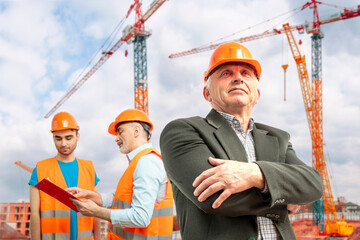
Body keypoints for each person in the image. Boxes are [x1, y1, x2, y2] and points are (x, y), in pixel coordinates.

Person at [159, 42, 323, 240]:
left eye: (246, 73)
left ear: (257, 94)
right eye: (225, 73)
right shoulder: (183, 131)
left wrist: (256, 173)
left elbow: (313, 184)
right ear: (207, 93)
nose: (237, 78)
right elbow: (214, 198)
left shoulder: (278, 138)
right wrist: (282, 195)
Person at [66, 109, 174, 240]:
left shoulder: (146, 162)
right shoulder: (140, 161)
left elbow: (140, 218)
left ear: (136, 131)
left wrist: (96, 211)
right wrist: (90, 195)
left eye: (120, 132)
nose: (116, 138)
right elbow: (123, 200)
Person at [29, 112, 100, 240]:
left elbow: (96, 210)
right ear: (53, 138)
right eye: (58, 138)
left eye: (68, 138)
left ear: (77, 136)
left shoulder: (89, 168)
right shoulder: (40, 170)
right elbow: (34, 214)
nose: (63, 144)